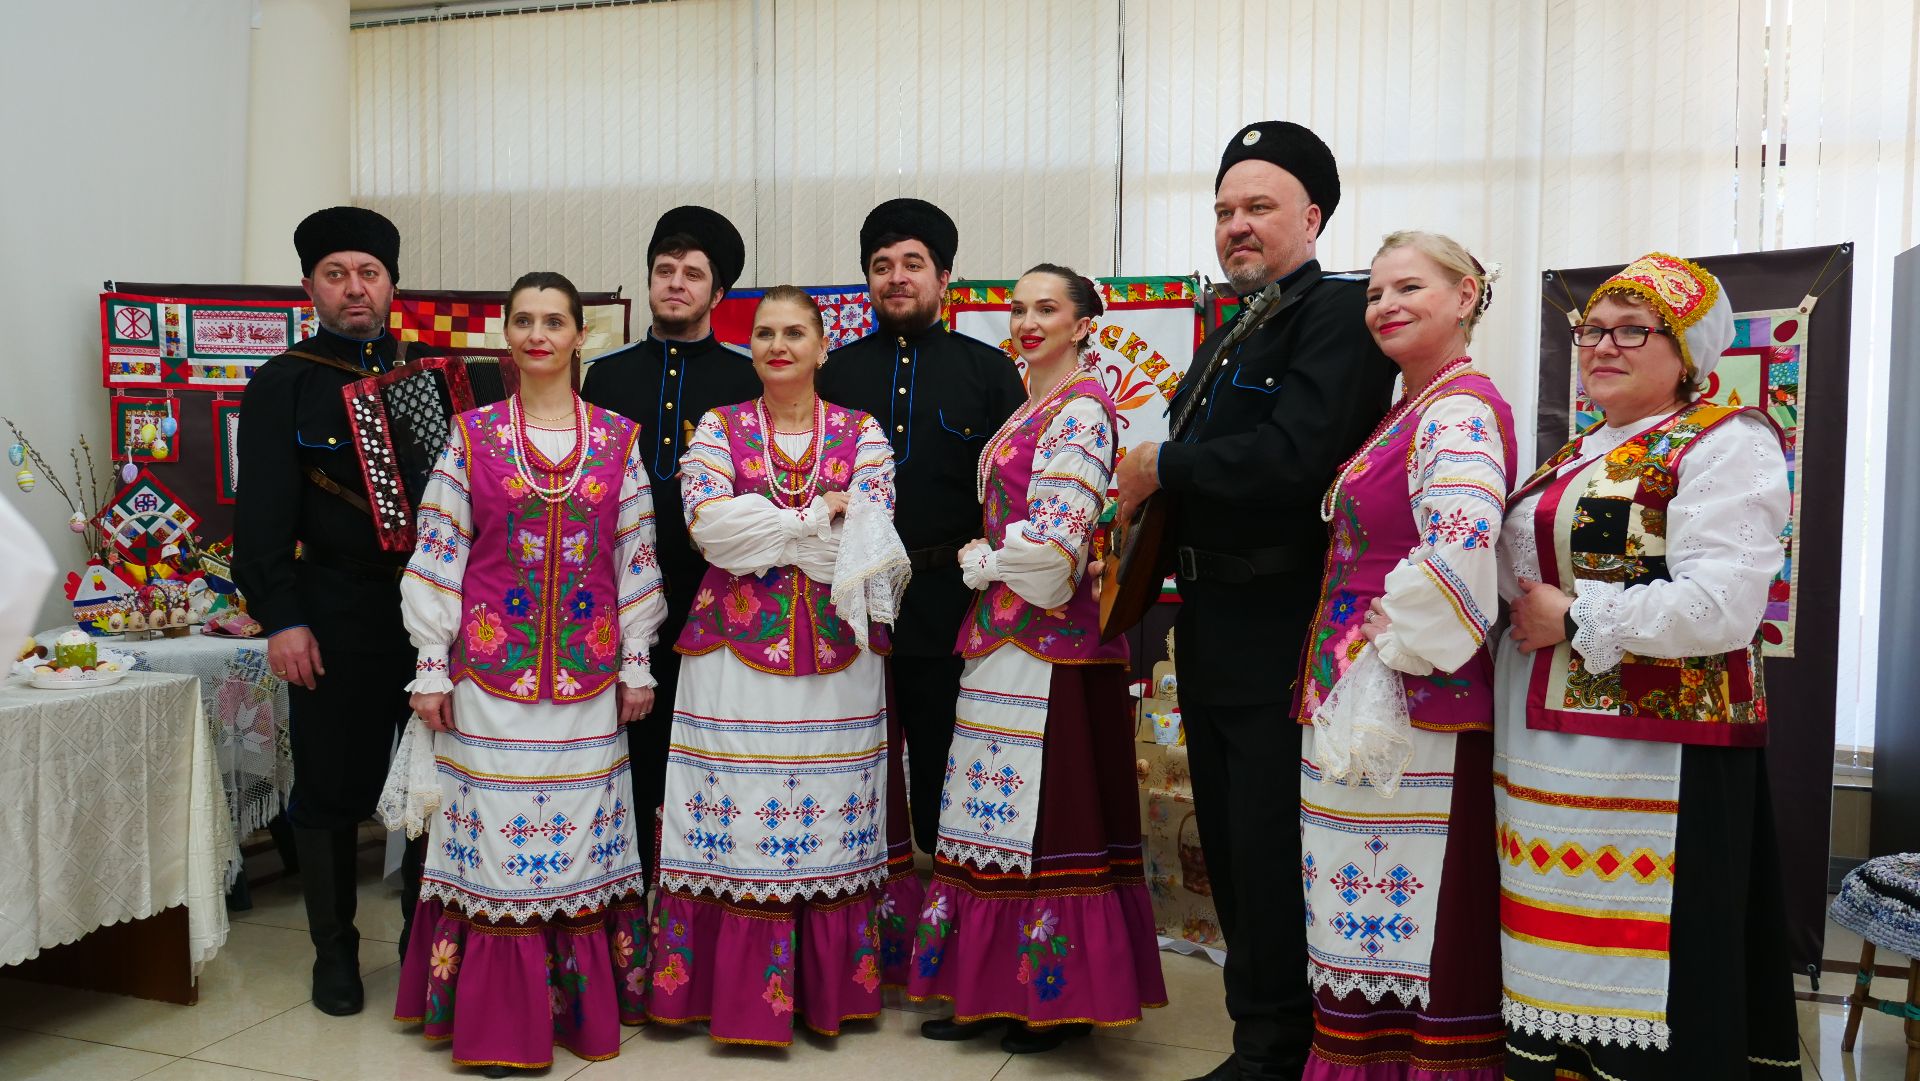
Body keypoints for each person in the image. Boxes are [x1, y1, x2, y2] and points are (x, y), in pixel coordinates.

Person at [1112, 122, 1399, 1081]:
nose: (1237, 226)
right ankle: (1260, 1035)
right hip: (1212, 625)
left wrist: (1163, 462)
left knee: (1274, 847)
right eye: (1226, 211)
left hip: (1285, 622)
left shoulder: (1339, 316)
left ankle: (1281, 1051)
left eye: (1260, 208)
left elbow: (1292, 459)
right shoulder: (1239, 323)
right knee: (1234, 847)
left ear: (1312, 216)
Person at [1492, 253, 1800, 1079]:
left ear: (1690, 349)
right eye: (1593, 328)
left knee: (1647, 962)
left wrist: (1577, 615)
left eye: (1635, 330)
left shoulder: (1727, 440)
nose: (1604, 345)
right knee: (1552, 952)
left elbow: (1725, 605)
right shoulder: (1582, 450)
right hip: (1547, 749)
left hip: (1658, 757)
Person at [389, 271, 665, 1073]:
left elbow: (635, 555)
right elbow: (439, 550)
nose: (538, 334)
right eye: (524, 320)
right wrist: (431, 665)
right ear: (506, 335)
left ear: (582, 335)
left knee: (577, 846)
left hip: (586, 681)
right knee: (495, 852)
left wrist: (637, 659)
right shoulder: (470, 435)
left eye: (554, 321)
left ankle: (576, 1011)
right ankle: (494, 1018)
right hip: (487, 678)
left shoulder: (619, 438)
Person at [905, 265, 1168, 1053]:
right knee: (986, 815)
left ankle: (1051, 996)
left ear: (1085, 322)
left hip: (1053, 644)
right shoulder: (1036, 405)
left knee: (1044, 819)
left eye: (1046, 308)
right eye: (1017, 309)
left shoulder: (1083, 409)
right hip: (1003, 637)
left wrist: (987, 560)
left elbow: (1056, 551)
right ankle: (990, 986)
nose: (1026, 321)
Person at [646, 286, 918, 1046]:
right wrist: (810, 519)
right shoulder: (716, 429)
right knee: (730, 803)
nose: (778, 344)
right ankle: (725, 992)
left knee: (828, 813)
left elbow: (864, 544)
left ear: (824, 345)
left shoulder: (863, 432)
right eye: (765, 332)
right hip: (731, 655)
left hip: (839, 649)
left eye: (795, 332)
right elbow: (709, 531)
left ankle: (823, 992)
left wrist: (771, 525)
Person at [1292, 232, 1512, 1080]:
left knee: (1408, 912)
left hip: (1410, 692)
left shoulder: (1456, 409)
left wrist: (1385, 655)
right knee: (1355, 903)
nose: (1384, 304)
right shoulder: (1411, 407)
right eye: (1376, 291)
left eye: (1409, 286)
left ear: (1465, 296)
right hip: (1360, 680)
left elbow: (1462, 546)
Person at [233, 206, 437, 1015]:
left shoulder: (431, 377)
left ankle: (426, 942)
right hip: (331, 608)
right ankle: (335, 953)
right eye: (336, 274)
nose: (355, 289)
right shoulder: (282, 382)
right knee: (329, 785)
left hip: (429, 613)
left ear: (391, 284)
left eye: (370, 273)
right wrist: (282, 618)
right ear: (311, 285)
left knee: (432, 781)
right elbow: (258, 526)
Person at [817, 199, 1026, 856]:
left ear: (944, 278)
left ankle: (942, 910)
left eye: (913, 263)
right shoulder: (837, 373)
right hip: (850, 607)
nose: (896, 277)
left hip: (949, 608)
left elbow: (1012, 495)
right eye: (882, 266)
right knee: (848, 764)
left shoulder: (987, 371)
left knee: (944, 767)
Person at [581, 206, 762, 827]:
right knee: (627, 744)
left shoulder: (748, 377)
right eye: (664, 270)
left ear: (718, 291)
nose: (675, 283)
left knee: (711, 745)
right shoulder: (604, 376)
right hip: (618, 593)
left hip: (717, 591)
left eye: (691, 273)